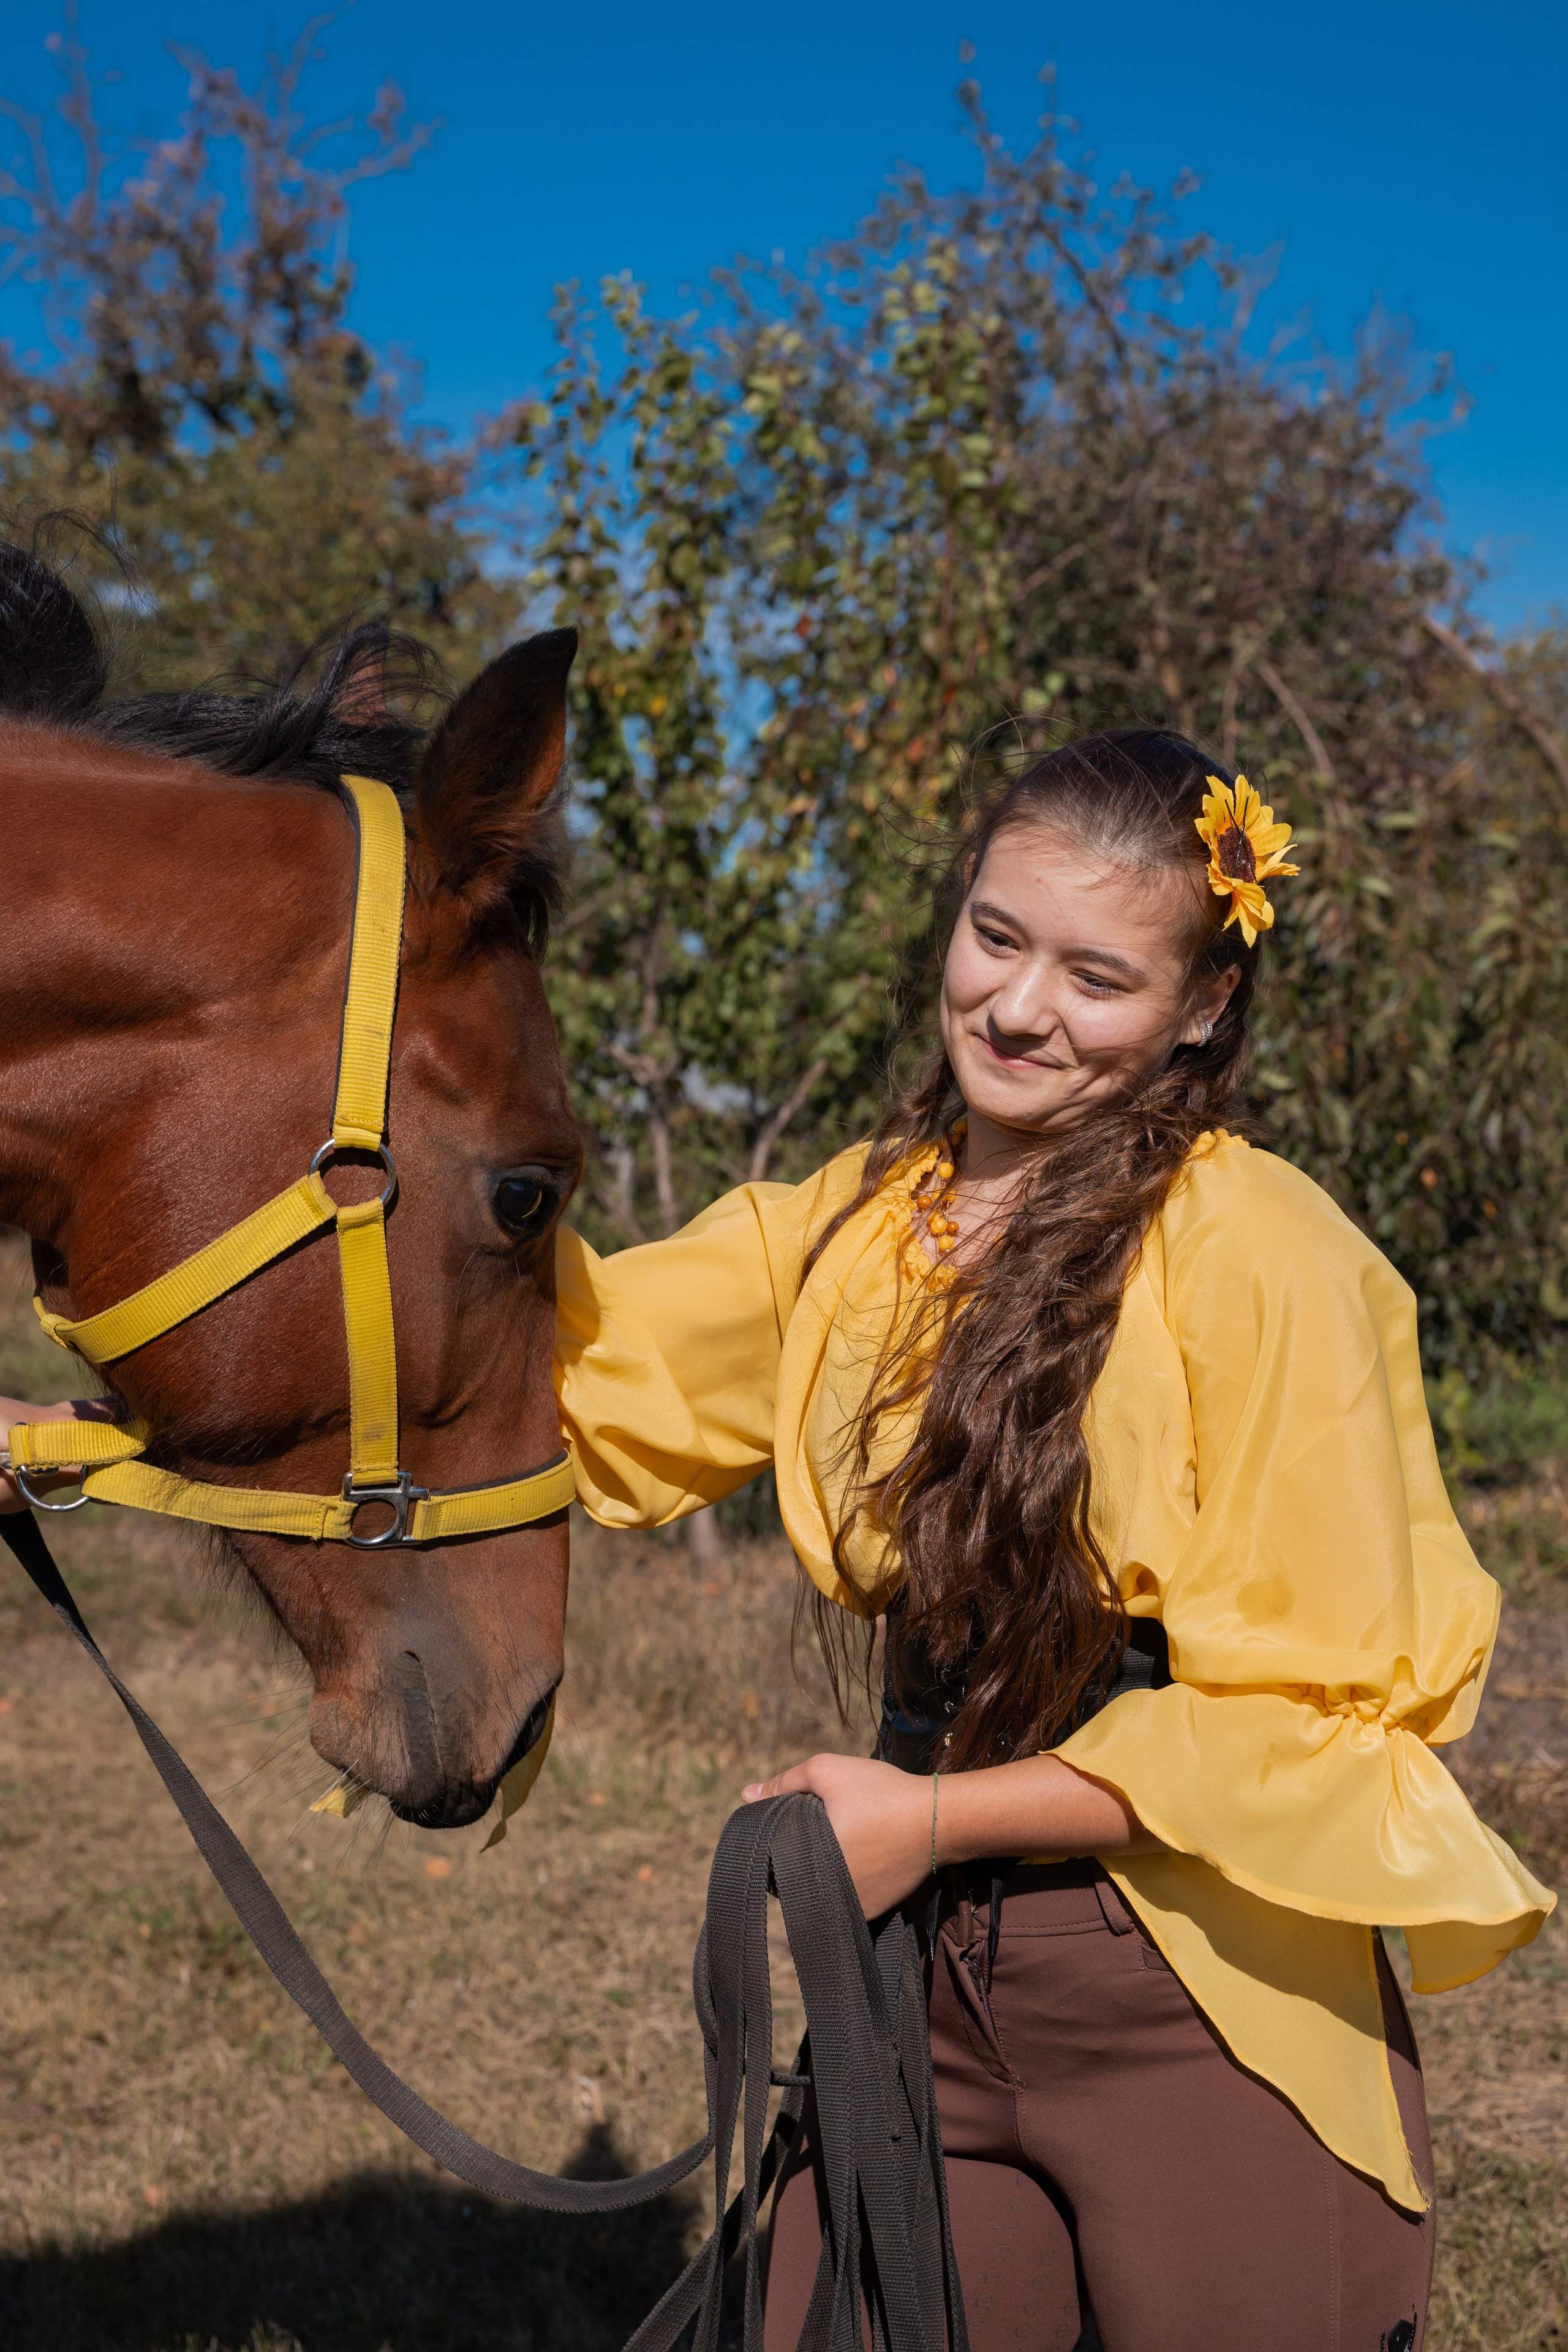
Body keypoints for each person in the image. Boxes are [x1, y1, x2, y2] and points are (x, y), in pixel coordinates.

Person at [549, 732, 1553, 2352]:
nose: (1018, 1009)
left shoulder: (1270, 1256)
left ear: (1202, 1006)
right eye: (998, 938)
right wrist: (109, 1441)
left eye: (1099, 975)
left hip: (1196, 1988)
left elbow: (1313, 1716)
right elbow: (538, 1373)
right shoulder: (848, 1227)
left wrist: (927, 1817)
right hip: (915, 1980)